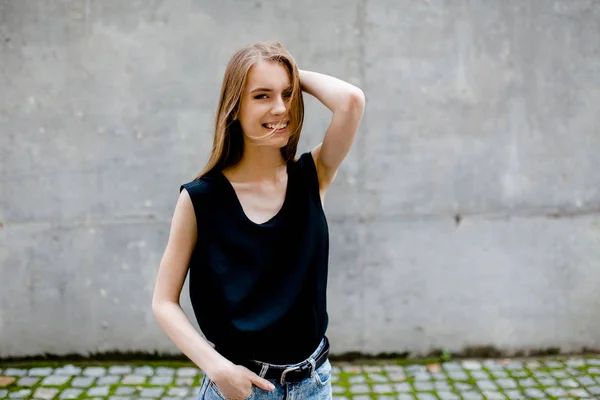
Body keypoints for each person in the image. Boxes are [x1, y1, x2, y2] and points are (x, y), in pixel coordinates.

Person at [152, 41, 365, 400]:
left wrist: (293, 75)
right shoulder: (200, 199)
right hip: (242, 389)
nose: (281, 108)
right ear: (235, 107)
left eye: (287, 94)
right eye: (262, 96)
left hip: (314, 385)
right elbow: (163, 302)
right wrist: (216, 367)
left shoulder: (313, 175)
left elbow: (351, 101)